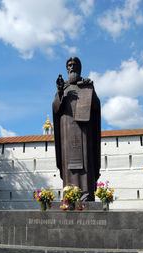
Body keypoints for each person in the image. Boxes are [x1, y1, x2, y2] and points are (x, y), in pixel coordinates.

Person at [52, 57, 101, 201]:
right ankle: (70, 194)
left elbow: (96, 107)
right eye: (69, 65)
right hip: (66, 129)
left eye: (74, 64)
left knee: (84, 159)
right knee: (69, 162)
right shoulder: (64, 87)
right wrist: (60, 93)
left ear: (79, 68)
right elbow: (55, 108)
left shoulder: (86, 85)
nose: (71, 67)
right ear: (66, 68)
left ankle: (86, 193)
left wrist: (90, 91)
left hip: (83, 130)